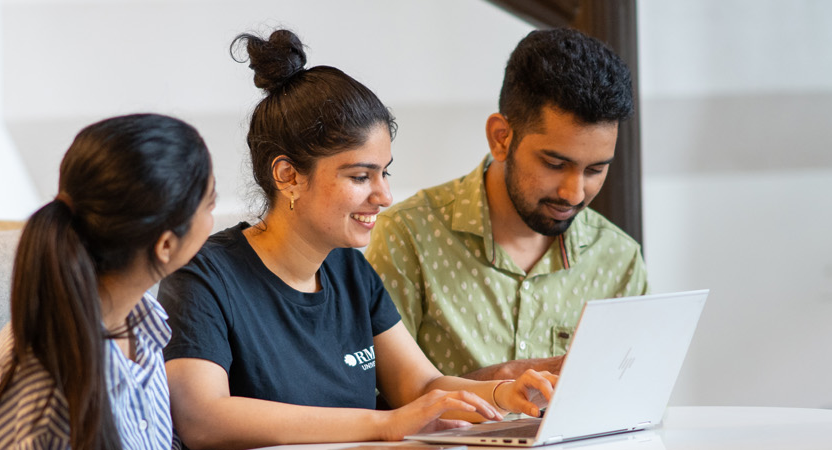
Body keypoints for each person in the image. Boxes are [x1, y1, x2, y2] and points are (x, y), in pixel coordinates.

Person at [159, 30, 556, 450]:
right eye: (360, 176)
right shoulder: (203, 276)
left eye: (384, 173)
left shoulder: (346, 267)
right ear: (288, 176)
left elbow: (419, 386)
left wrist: (504, 394)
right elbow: (202, 417)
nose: (383, 196)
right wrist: (383, 424)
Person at [365, 28, 649, 382]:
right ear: (502, 138)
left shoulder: (618, 260)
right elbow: (376, 398)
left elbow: (628, 400)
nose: (574, 193)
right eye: (555, 164)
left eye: (595, 169)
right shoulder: (409, 237)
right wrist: (501, 383)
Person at [0, 113, 217, 450]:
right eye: (210, 204)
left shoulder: (142, 320)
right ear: (166, 245)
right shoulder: (44, 391)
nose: (213, 220)